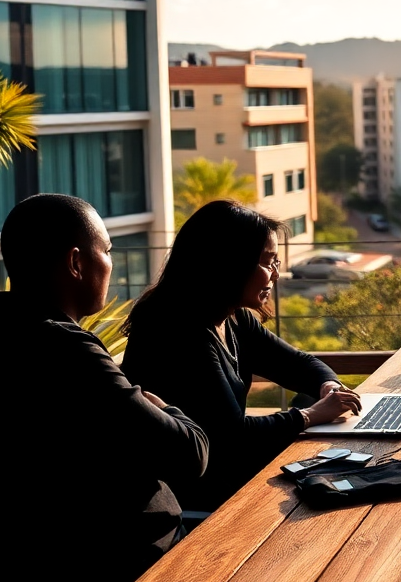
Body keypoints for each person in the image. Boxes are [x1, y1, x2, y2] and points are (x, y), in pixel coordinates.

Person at [0, 194, 210, 582]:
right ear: (76, 263)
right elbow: (191, 453)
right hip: (128, 568)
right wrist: (160, 404)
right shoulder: (61, 348)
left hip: (60, 563)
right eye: (106, 250)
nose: (110, 262)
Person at [122, 201, 362, 513]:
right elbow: (232, 439)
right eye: (267, 262)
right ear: (228, 262)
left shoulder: (233, 319)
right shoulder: (179, 331)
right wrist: (310, 415)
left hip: (230, 479)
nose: (275, 275)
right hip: (194, 501)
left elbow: (300, 364)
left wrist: (327, 386)